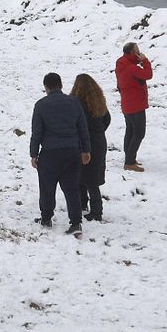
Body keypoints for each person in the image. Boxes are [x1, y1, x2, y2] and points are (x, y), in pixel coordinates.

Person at [29, 71, 90, 235]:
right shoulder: (74, 102)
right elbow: (83, 128)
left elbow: (37, 133)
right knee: (71, 188)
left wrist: (33, 154)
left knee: (47, 188)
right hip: (72, 152)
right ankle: (76, 223)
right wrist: (86, 150)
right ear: (61, 85)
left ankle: (46, 218)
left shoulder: (41, 105)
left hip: (50, 153)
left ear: (46, 87)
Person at [70, 73, 112, 221]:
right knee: (92, 177)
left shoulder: (76, 103)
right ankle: (91, 207)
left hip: (82, 142)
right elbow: (107, 119)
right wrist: (99, 131)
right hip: (99, 141)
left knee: (82, 175)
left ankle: (93, 209)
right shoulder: (99, 101)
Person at [114, 42, 153, 170]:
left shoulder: (121, 63)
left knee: (130, 131)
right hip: (136, 104)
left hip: (127, 103)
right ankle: (129, 162)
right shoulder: (131, 68)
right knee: (139, 133)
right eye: (137, 51)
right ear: (131, 52)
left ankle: (129, 158)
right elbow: (148, 75)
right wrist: (145, 61)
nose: (139, 53)